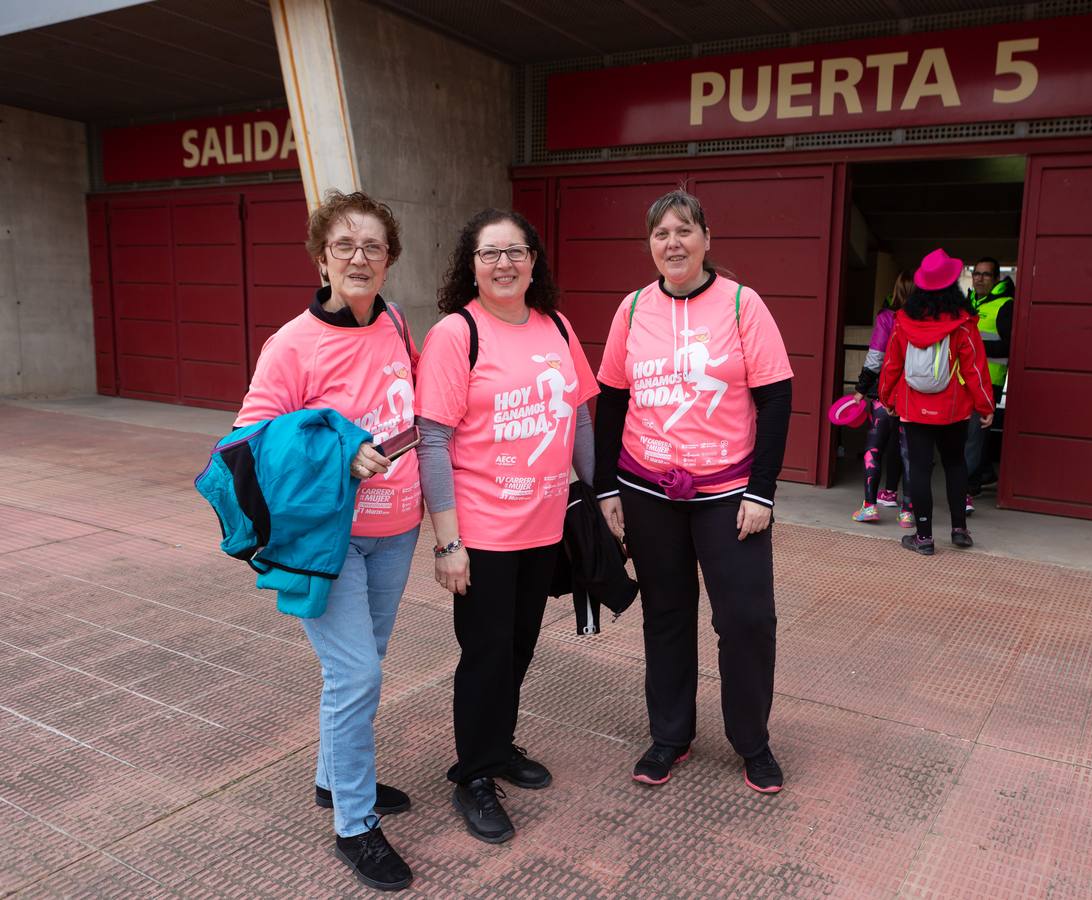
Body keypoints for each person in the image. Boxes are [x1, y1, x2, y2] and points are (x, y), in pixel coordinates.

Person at [235, 190, 421, 892]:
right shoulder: (292, 343)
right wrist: (337, 453)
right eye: (343, 245)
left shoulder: (398, 322)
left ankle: (332, 778)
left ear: (389, 259)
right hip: (327, 539)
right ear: (321, 259)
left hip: (396, 528)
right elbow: (248, 438)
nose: (359, 257)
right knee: (357, 676)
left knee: (361, 663)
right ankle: (354, 824)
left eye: (373, 246)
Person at [593, 189, 794, 794]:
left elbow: (776, 397)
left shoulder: (741, 303)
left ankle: (751, 742)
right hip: (648, 489)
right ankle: (670, 735)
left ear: (707, 238)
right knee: (667, 614)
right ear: (649, 246)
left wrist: (762, 492)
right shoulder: (631, 310)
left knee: (746, 619)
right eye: (661, 234)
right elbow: (611, 402)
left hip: (730, 492)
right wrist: (606, 487)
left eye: (684, 231)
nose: (673, 243)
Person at [414, 209, 598, 845]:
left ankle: (496, 743)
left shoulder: (557, 326)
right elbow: (432, 441)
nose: (503, 264)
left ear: (533, 260)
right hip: (483, 531)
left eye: (515, 252)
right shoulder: (455, 334)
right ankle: (475, 775)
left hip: (543, 525)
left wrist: (597, 498)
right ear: (471, 264)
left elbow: (579, 417)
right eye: (490, 253)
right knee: (486, 655)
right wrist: (448, 542)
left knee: (518, 646)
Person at [878, 248, 994, 556]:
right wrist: (986, 406)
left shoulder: (904, 320)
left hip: (914, 408)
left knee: (919, 469)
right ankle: (959, 530)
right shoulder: (964, 323)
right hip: (953, 410)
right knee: (955, 463)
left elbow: (891, 364)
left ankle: (924, 538)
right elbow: (975, 370)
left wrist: (887, 397)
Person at [852, 270, 914, 527]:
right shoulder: (929, 322)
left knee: (874, 449)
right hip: (915, 397)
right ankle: (908, 512)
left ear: (897, 290)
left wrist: (860, 389)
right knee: (909, 453)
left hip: (884, 395)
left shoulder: (888, 318)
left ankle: (869, 507)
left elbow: (875, 358)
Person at [964, 256, 1014, 508]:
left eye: (985, 274)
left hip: (988, 381)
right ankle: (983, 474)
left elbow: (1009, 346)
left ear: (996, 279)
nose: (979, 278)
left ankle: (968, 485)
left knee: (974, 435)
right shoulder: (969, 302)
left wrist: (976, 347)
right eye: (976, 274)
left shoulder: (1005, 305)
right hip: (962, 380)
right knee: (970, 435)